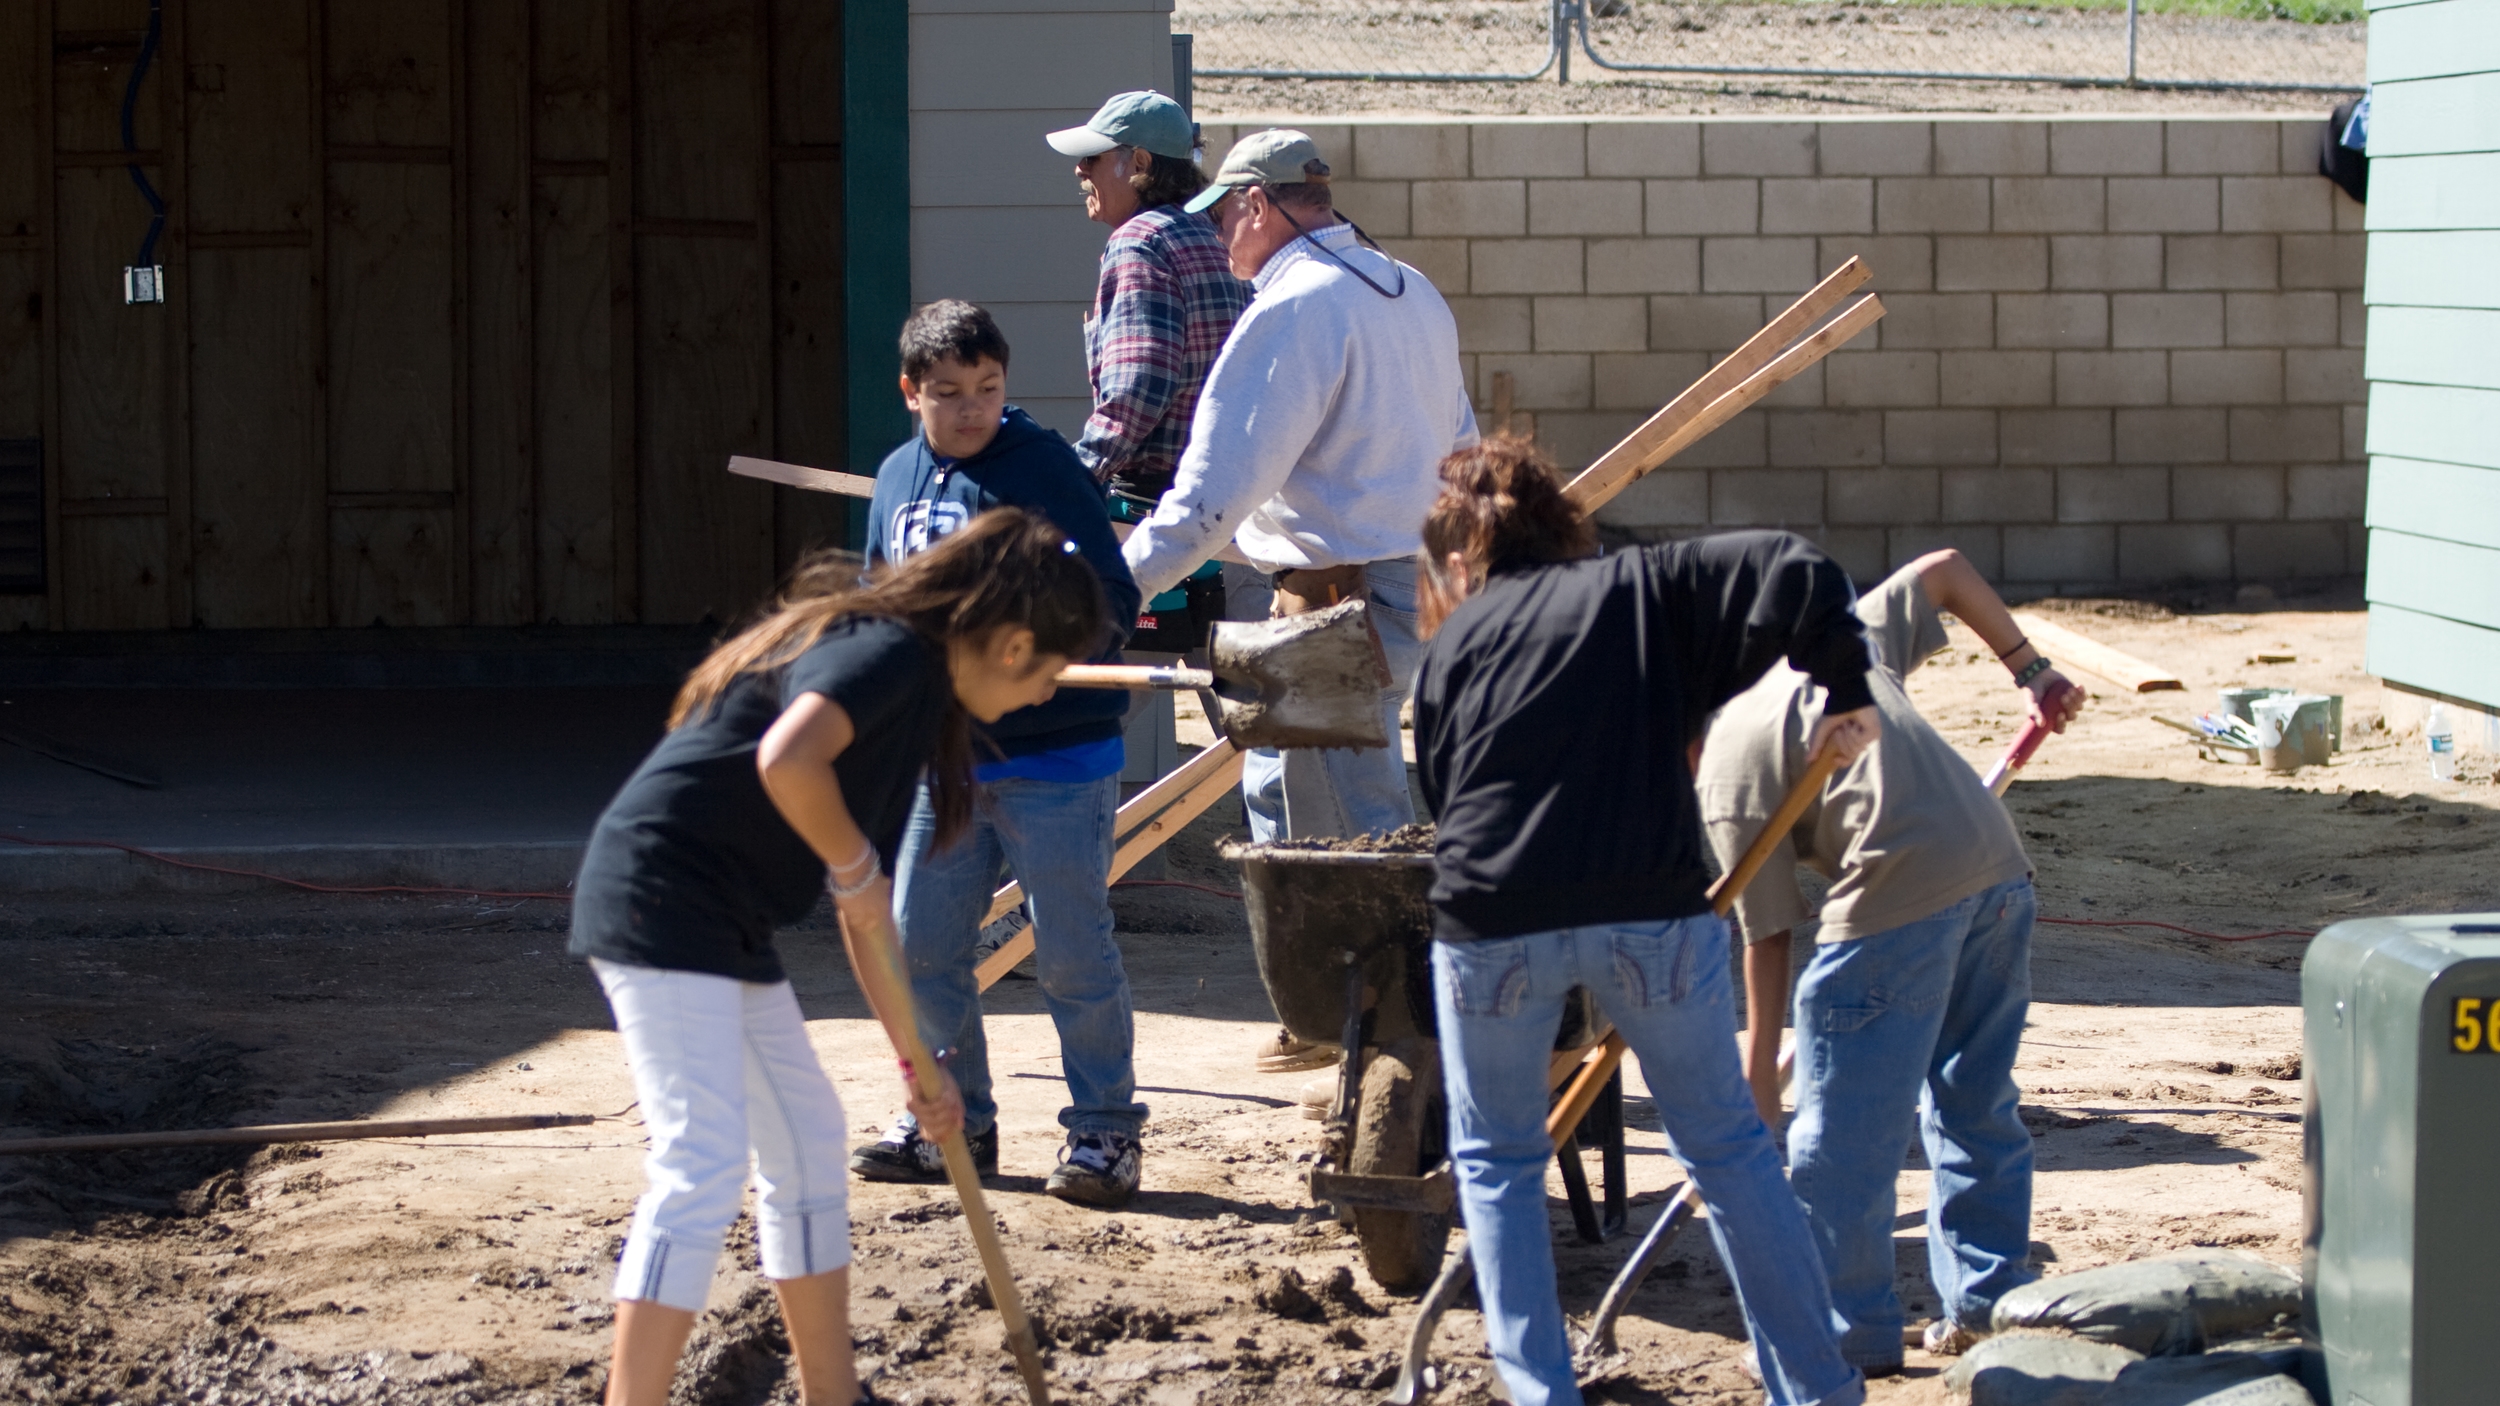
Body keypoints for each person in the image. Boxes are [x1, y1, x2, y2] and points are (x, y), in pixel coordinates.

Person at [567, 509, 1109, 1406]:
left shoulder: (921, 706)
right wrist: (852, 864)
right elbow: (788, 759)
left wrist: (916, 1064)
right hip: (660, 897)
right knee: (701, 1160)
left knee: (810, 1142)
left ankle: (833, 1394)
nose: (1046, 694)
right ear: (1013, 646)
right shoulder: (887, 649)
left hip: (724, 921)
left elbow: (868, 922)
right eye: (1051, 673)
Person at [1411, 441, 1879, 1406]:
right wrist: (1845, 688)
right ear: (1562, 527)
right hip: (1646, 912)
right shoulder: (1644, 586)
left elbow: (1442, 789)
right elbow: (1797, 569)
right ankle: (1819, 1390)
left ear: (1470, 554)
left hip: (1491, 915)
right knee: (1728, 1148)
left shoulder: (1455, 643)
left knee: (1498, 1165)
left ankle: (1543, 1394)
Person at [1118, 128, 1476, 1073]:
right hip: (1415, 583)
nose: (1221, 243)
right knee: (1357, 800)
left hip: (1336, 597)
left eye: (1226, 221)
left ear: (1255, 206)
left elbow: (1211, 493)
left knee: (1306, 810)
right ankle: (1375, 1016)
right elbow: (1461, 448)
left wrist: (1116, 583)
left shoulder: (1295, 310)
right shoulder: (1410, 291)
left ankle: (1348, 1017)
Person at [1698, 549, 2086, 1375]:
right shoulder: (1840, 645)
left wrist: (1761, 1077)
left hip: (1894, 896)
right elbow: (1944, 569)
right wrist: (2034, 671)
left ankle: (1847, 1336)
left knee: (1841, 1143)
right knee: (1972, 1105)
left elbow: (1766, 939)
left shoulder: (1727, 751)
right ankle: (1986, 1309)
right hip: (1998, 875)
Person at [847, 300, 1151, 1208]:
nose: (972, 408)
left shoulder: (1044, 469)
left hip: (1056, 762)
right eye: (948, 394)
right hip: (946, 764)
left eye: (988, 389)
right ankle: (953, 1124)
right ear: (911, 393)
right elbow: (880, 599)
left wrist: (1062, 655)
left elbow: (1112, 593)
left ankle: (1105, 1133)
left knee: (1068, 953)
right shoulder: (899, 477)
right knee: (919, 946)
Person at [1048, 91, 1248, 654]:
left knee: (1092, 691)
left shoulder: (1140, 241)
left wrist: (1073, 476)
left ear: (1138, 165)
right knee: (1249, 705)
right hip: (1239, 500)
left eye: (1093, 157)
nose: (1080, 170)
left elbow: (1140, 386)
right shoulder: (1217, 232)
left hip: (1159, 508)